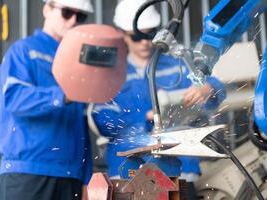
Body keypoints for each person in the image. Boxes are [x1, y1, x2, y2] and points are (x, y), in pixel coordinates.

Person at [89, 0, 226, 198]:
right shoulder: (111, 75)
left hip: (180, 172)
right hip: (129, 177)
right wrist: (144, 118)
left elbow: (217, 88)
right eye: (137, 36)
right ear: (122, 34)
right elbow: (103, 121)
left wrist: (209, 88)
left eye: (150, 34)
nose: (145, 41)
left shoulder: (177, 65)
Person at [0, 0, 93, 199]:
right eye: (67, 13)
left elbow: (81, 125)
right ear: (47, 9)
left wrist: (86, 178)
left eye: (81, 16)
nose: (74, 20)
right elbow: (15, 100)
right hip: (28, 174)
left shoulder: (79, 62)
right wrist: (62, 95)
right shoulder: (23, 51)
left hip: (70, 177)